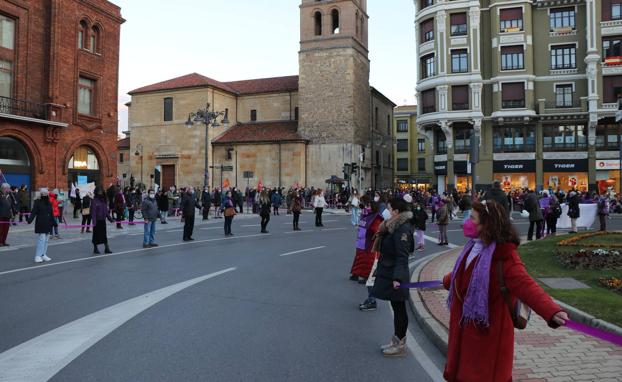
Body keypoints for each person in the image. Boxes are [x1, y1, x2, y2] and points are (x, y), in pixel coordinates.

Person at [442, 200, 568, 381]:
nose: (466, 222)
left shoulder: (504, 257)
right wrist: (446, 281)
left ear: (486, 224)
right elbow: (460, 273)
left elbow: (526, 285)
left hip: (488, 336)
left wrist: (552, 311)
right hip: (465, 329)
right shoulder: (472, 246)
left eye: (471, 218)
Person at [370, 198, 413, 356]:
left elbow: (403, 256)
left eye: (389, 208)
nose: (386, 211)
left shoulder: (402, 229)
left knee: (400, 309)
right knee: (396, 308)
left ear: (396, 211)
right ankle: (396, 340)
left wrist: (398, 278)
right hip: (390, 271)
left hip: (396, 273)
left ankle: (400, 344)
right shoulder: (392, 226)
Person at [27, 188, 56, 263]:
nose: (46, 195)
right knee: (41, 239)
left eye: (47, 193)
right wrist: (30, 219)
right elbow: (33, 212)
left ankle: (43, 254)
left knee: (46, 240)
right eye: (45, 193)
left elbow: (51, 213)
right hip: (41, 223)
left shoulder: (49, 202)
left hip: (48, 223)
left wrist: (54, 222)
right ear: (41, 194)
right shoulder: (37, 202)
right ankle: (38, 255)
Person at [91, 186, 113, 254]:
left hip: (103, 220)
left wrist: (110, 219)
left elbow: (106, 211)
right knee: (96, 235)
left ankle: (106, 248)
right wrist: (94, 222)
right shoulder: (94, 201)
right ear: (96, 192)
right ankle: (95, 248)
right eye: (99, 192)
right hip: (97, 221)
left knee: (104, 235)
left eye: (101, 191)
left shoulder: (104, 201)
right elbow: (93, 212)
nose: (100, 193)